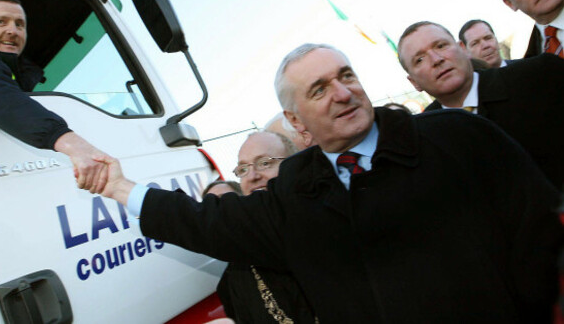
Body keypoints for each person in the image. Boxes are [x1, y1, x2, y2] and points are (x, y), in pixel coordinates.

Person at [87, 43, 562, 323]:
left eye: (346, 75)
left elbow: (538, 229)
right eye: (319, 90)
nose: (342, 93)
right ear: (297, 120)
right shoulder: (295, 192)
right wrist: (120, 188)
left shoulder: (457, 135)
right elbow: (210, 222)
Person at [0, 0, 111, 191]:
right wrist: (74, 145)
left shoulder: (18, 72)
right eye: (1, 22)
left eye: (19, 24)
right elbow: (3, 100)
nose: (12, 30)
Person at [398, 20, 564, 189]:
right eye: (419, 59)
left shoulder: (538, 76)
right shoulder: (423, 140)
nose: (436, 59)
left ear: (463, 48)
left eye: (441, 46)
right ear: (414, 82)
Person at [215, 131, 316, 323]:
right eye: (243, 169)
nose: (252, 176)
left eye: (265, 163)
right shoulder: (235, 274)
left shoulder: (334, 225)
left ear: (296, 164)